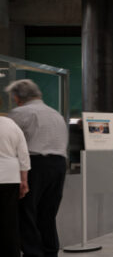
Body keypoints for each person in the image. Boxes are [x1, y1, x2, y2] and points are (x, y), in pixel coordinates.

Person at [6, 79, 68, 257]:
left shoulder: (20, 113)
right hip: (58, 165)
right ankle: (50, 251)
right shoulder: (55, 113)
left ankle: (33, 253)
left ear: (17, 97)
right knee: (48, 213)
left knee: (26, 212)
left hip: (35, 165)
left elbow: (8, 138)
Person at [0, 115, 31, 257]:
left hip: (9, 176)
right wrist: (24, 180)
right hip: (9, 177)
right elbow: (23, 153)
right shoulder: (10, 124)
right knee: (9, 221)